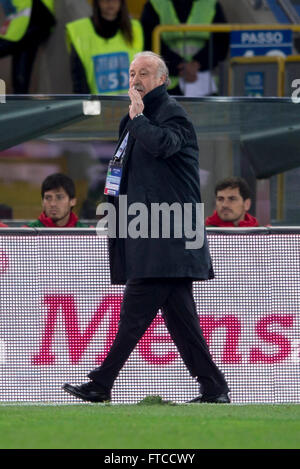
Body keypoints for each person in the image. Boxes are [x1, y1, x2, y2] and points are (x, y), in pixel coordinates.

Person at [63, 51, 230, 404]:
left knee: (133, 315)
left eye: (143, 73)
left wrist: (138, 117)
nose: (135, 80)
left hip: (167, 234)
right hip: (151, 232)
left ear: (160, 80)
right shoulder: (136, 118)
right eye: (131, 73)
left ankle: (101, 383)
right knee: (182, 322)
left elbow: (164, 145)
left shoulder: (170, 113)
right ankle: (214, 389)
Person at [140, 0, 229, 97]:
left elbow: (221, 43)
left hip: (203, 84)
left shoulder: (210, 4)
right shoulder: (155, 4)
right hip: (167, 85)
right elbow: (148, 42)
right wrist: (180, 66)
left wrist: (198, 63)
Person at [66, 0, 144, 95]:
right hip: (95, 106)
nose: (110, 2)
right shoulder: (80, 31)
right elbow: (79, 80)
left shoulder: (135, 29)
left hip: (131, 105)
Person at [0, 0, 55, 93]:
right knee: (20, 77)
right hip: (29, 25)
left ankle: (19, 99)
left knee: (21, 75)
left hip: (32, 21)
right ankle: (19, 101)